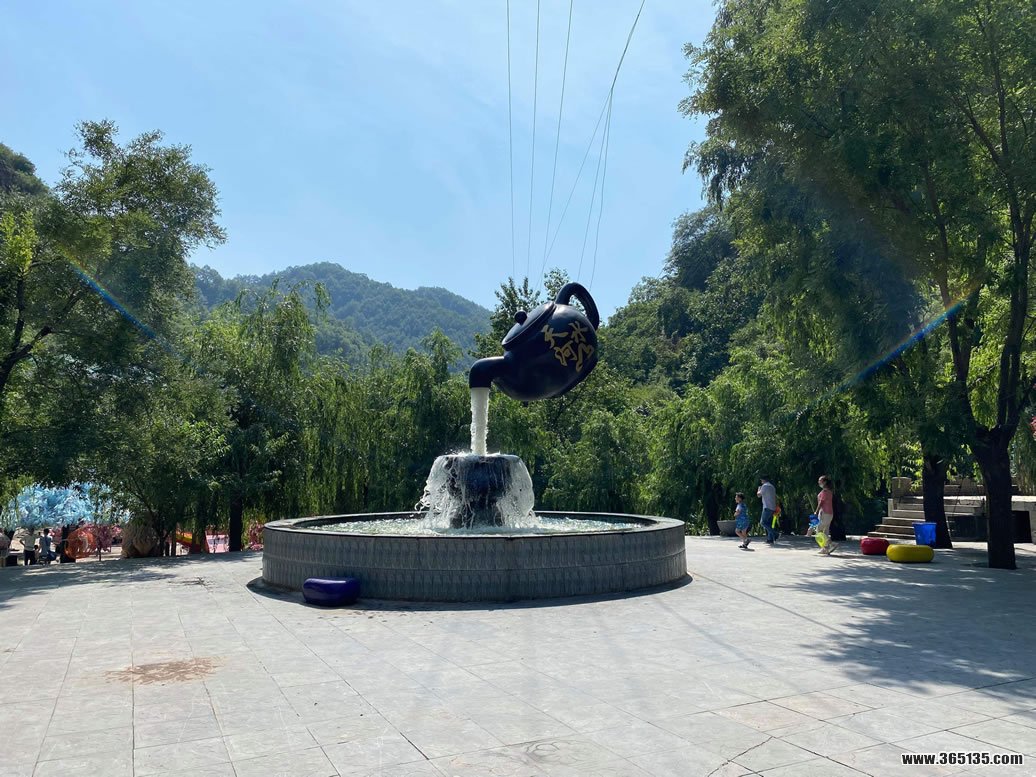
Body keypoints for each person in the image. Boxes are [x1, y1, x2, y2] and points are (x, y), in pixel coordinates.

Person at [816, 476, 838, 555]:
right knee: (825, 531)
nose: (819, 482)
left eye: (820, 481)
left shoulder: (825, 492)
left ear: (825, 482)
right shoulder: (829, 491)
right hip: (829, 514)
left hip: (825, 513)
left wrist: (816, 511)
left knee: (818, 530)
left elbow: (821, 502)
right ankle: (825, 549)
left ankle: (831, 543)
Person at [758, 476, 778, 545]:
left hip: (767, 507)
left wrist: (758, 489)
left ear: (763, 480)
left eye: (761, 481)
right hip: (773, 507)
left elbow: (759, 495)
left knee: (763, 522)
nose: (761, 482)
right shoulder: (772, 486)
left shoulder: (764, 486)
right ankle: (770, 539)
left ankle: (775, 533)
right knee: (769, 523)